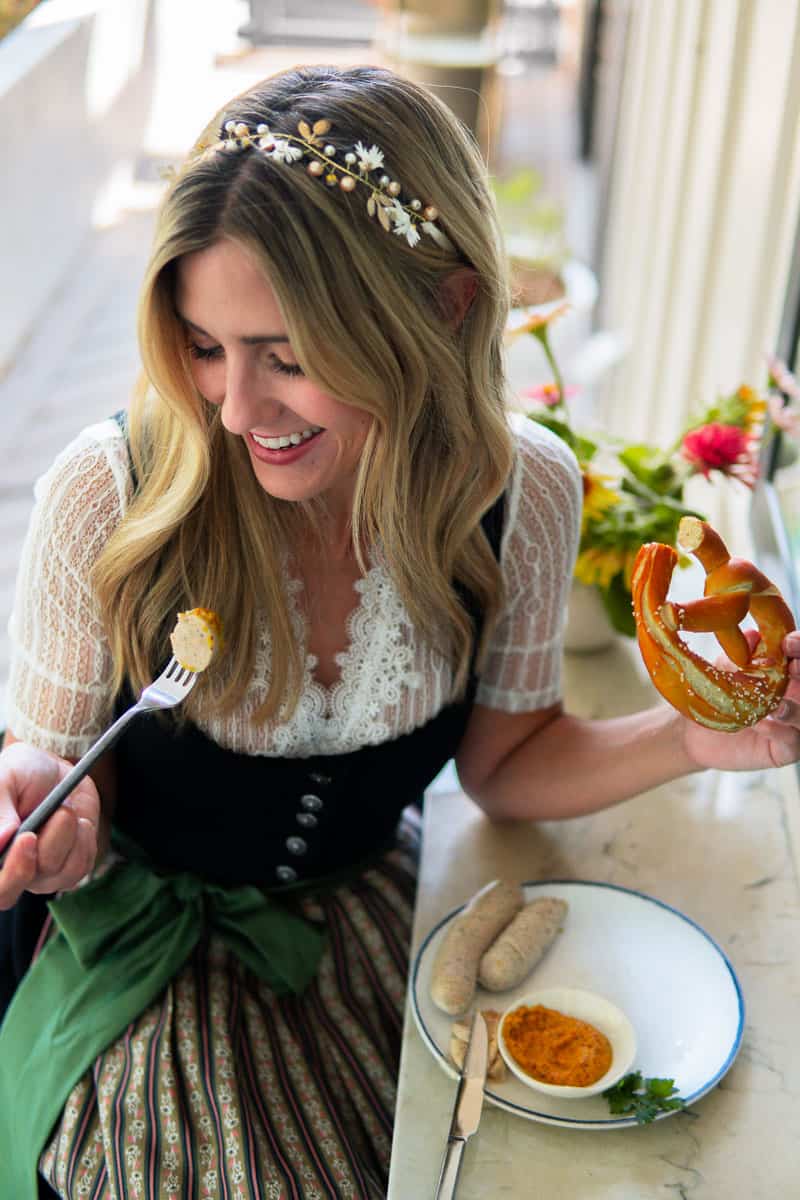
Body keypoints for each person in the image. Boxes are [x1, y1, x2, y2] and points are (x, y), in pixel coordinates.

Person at [0, 63, 799, 1200]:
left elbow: (507, 763)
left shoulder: (519, 490)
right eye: (203, 344)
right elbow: (48, 772)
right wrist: (51, 805)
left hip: (375, 912)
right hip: (146, 948)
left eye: (286, 355)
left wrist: (688, 736)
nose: (235, 408)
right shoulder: (110, 490)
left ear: (445, 307)